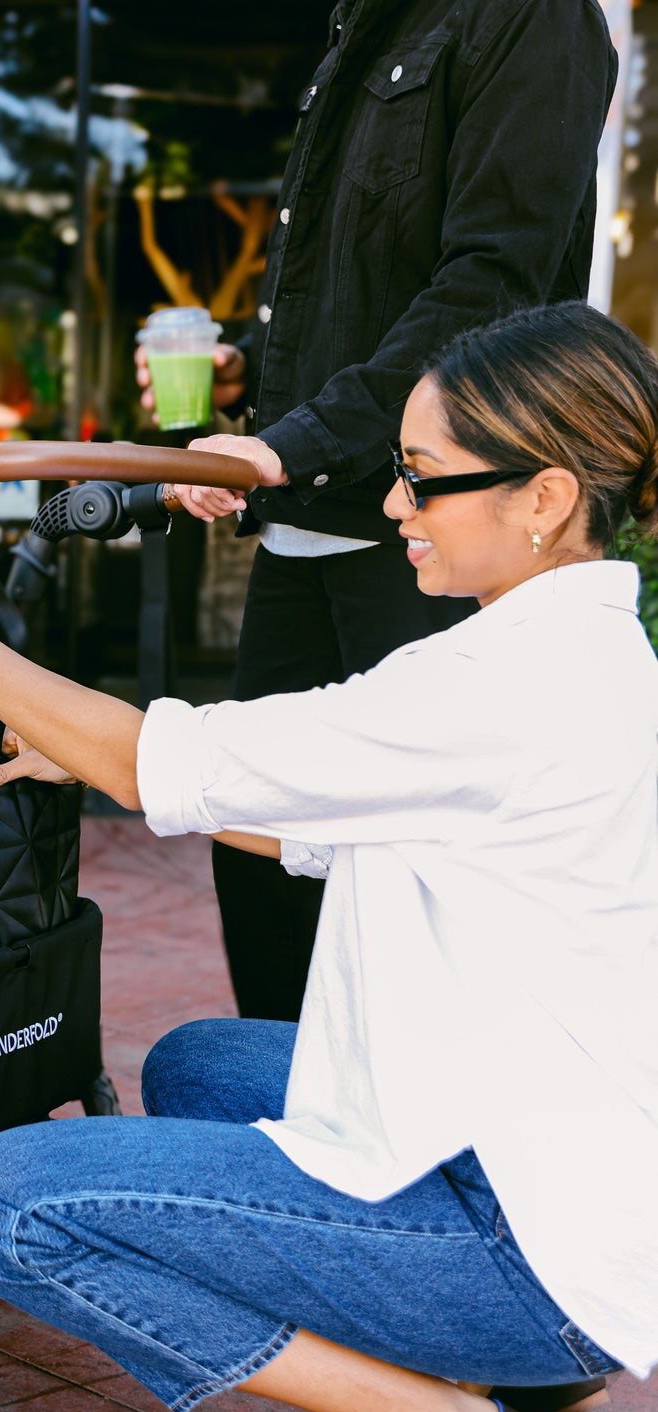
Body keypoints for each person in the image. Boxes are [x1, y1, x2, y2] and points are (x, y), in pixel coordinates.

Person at [0, 302, 658, 1412]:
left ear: (543, 498)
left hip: (535, 1248)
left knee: (13, 1203)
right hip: (542, 1159)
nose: (393, 508)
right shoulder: (587, 654)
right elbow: (314, 821)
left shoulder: (498, 686)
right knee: (199, 1067)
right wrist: (89, 755)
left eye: (423, 480)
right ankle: (533, 1386)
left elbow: (157, 763)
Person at [139, 0, 618, 1024]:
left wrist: (290, 442)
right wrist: (249, 377)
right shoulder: (363, 24)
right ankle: (288, 1155)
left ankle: (429, 1168)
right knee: (261, 870)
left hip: (433, 534)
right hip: (304, 530)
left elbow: (491, 288)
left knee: (406, 894)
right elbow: (345, 290)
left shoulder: (532, 19)